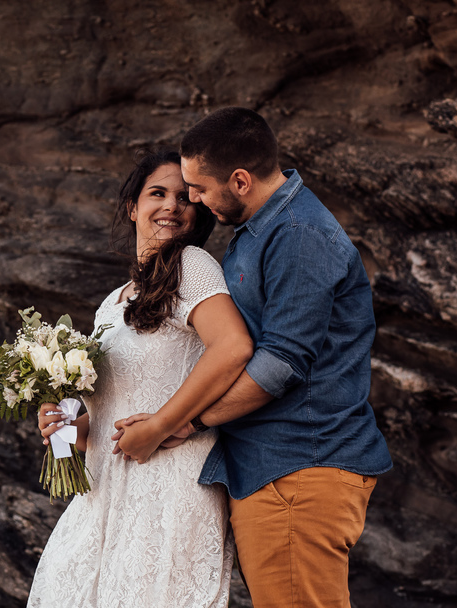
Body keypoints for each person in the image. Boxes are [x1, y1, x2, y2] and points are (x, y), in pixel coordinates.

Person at [118, 107, 392, 608]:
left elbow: (280, 364)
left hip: (301, 467)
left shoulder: (298, 234)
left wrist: (185, 422)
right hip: (273, 469)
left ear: (240, 180)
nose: (193, 200)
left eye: (198, 189)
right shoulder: (258, 232)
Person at [26, 150, 254, 608]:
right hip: (104, 493)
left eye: (185, 198)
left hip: (168, 484)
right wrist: (67, 426)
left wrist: (160, 426)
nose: (172, 205)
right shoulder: (112, 303)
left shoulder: (192, 266)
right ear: (133, 207)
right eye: (158, 194)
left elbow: (233, 347)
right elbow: (107, 419)